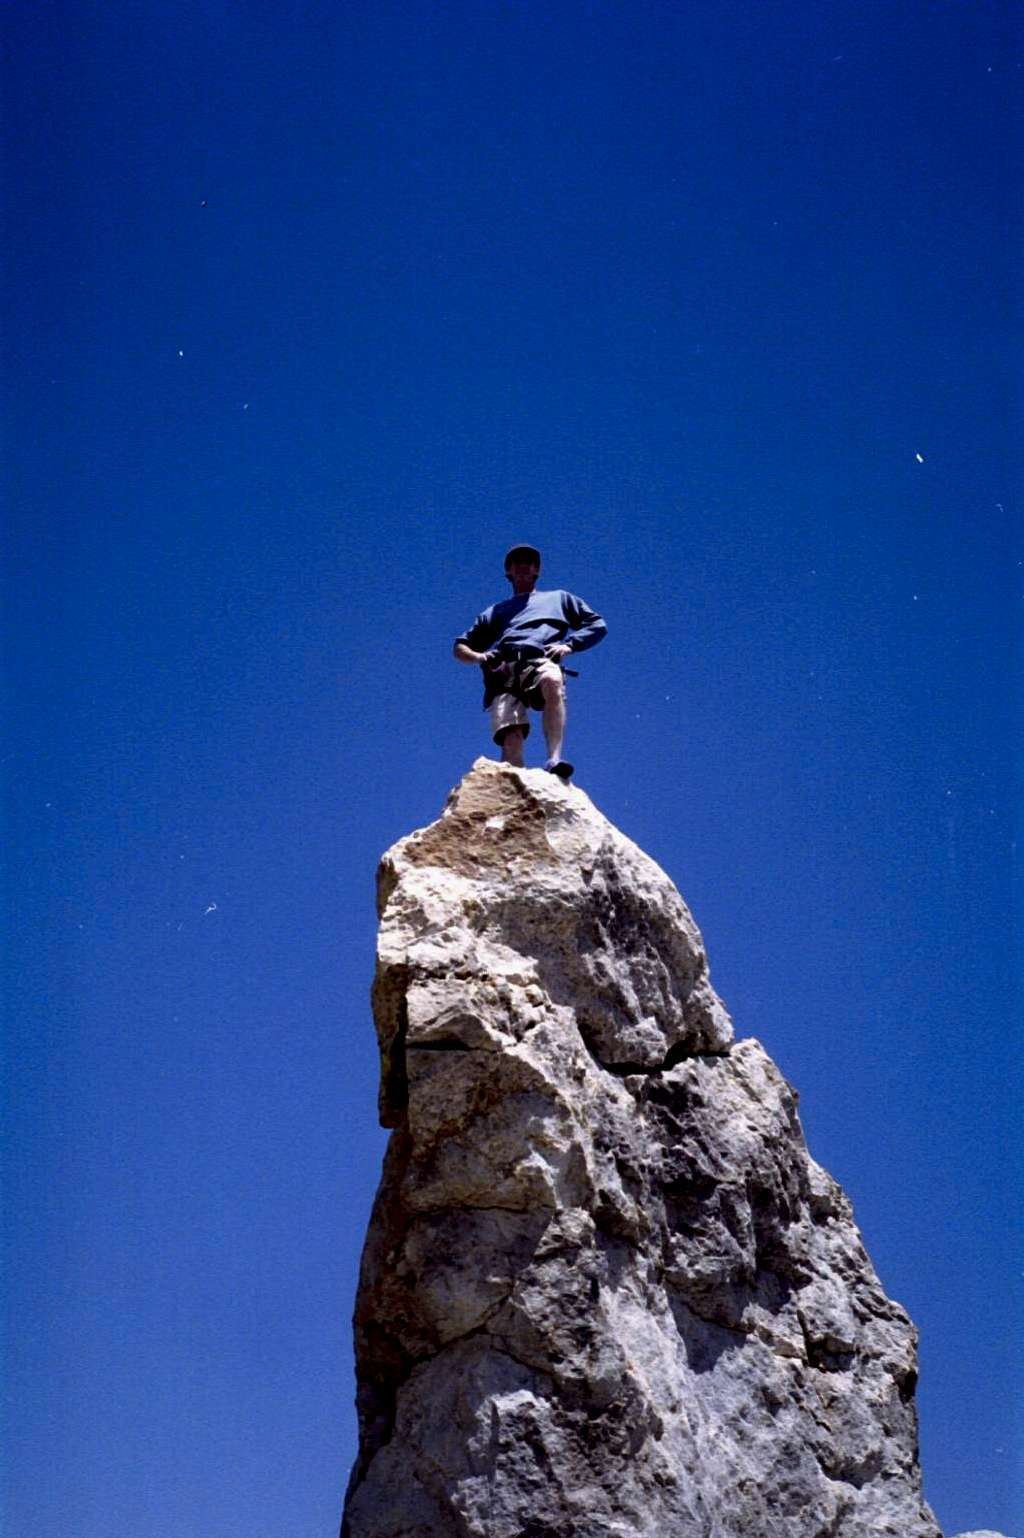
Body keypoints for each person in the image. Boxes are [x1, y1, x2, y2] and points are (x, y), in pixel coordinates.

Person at [453, 543, 607, 779]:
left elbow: (597, 625)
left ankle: (555, 758)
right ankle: (514, 783)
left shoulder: (559, 598)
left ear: (537, 570)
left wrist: (569, 645)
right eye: (517, 562)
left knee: (552, 680)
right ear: (509, 571)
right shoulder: (496, 611)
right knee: (510, 733)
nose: (523, 566)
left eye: (529, 562)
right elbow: (460, 647)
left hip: (539, 659)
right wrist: (480, 657)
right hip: (504, 669)